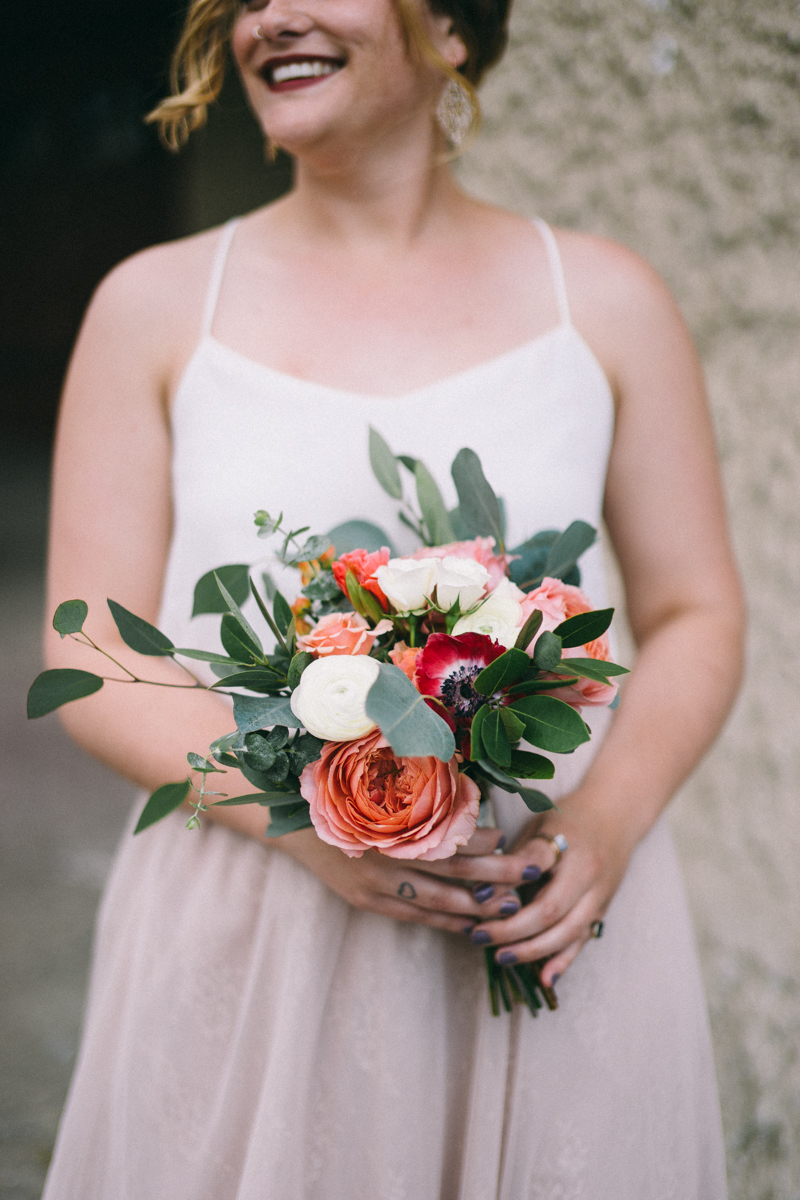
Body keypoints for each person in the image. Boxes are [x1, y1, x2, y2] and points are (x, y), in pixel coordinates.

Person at [41, 0, 744, 1196]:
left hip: (533, 914)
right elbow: (97, 657)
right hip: (257, 925)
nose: (269, 15)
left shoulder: (606, 305)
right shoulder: (154, 308)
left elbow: (694, 613)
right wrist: (300, 828)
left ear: (452, 29)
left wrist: (606, 824)